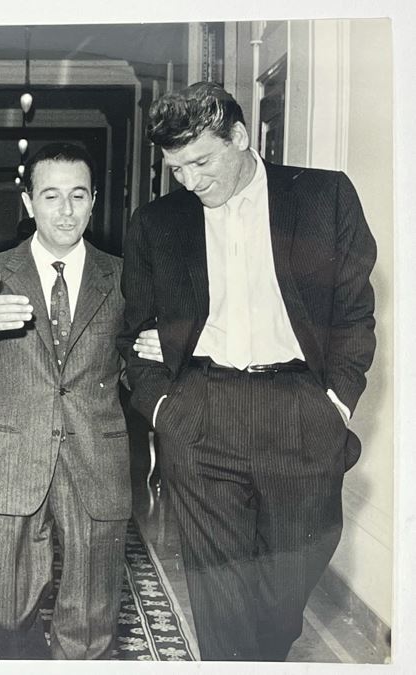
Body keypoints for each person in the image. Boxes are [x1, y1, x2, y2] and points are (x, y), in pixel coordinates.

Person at [118, 82, 376, 661]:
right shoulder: (157, 223)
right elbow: (131, 336)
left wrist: (335, 402)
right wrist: (164, 409)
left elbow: (356, 315)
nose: (190, 181)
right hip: (203, 410)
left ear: (240, 137)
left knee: (282, 600)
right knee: (220, 601)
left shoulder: (323, 197)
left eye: (202, 161)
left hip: (300, 407)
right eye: (176, 168)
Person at [0, 143, 131, 659]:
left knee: (91, 616)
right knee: (6, 605)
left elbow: (136, 363)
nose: (65, 211)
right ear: (28, 202)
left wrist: (157, 353)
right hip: (12, 457)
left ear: (92, 202)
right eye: (51, 196)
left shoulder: (123, 275)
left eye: (77, 196)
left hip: (95, 455)